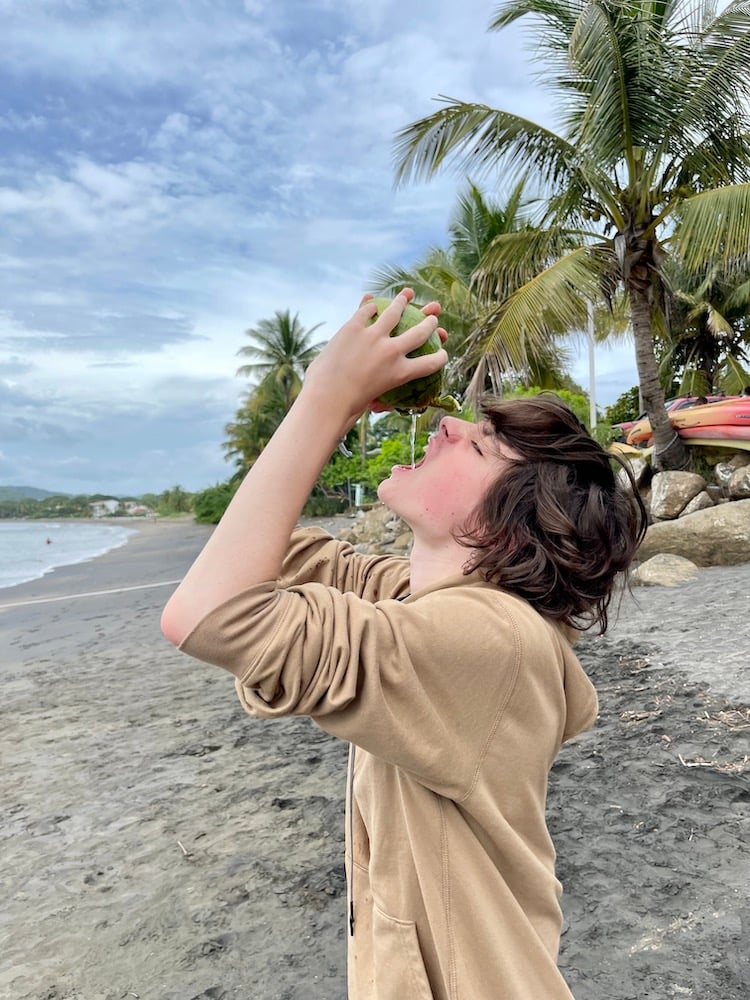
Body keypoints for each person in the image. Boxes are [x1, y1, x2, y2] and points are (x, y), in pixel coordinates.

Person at [161, 290, 647, 999]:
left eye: (478, 444)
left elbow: (210, 612)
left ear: (505, 527)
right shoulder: (424, 602)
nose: (448, 423)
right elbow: (267, 557)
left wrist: (326, 401)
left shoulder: (489, 638)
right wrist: (338, 410)